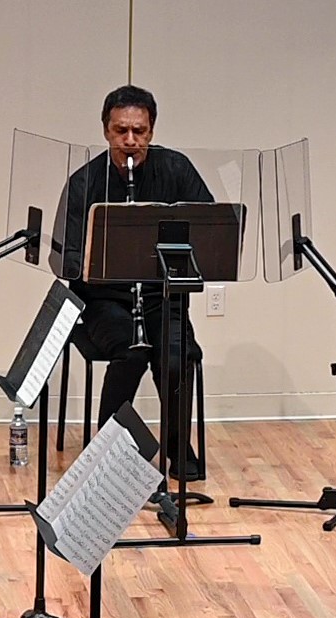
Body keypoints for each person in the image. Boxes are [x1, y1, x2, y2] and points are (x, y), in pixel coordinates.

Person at [59, 84, 213, 481]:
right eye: (121, 131)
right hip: (106, 301)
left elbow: (210, 229)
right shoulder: (84, 182)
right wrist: (99, 265)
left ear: (152, 130)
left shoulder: (176, 169)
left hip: (162, 297)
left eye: (139, 131)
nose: (130, 141)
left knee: (178, 356)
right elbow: (65, 256)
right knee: (130, 352)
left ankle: (178, 447)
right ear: (105, 130)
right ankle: (107, 452)